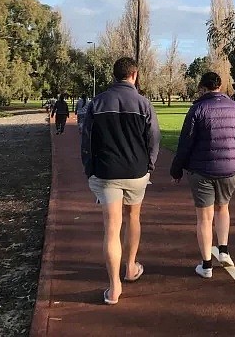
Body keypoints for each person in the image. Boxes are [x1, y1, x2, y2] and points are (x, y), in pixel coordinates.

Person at [81, 57, 160, 305]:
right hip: (136, 172)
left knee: (111, 228)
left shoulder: (98, 102)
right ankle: (130, 267)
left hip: (106, 173)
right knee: (133, 218)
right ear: (134, 75)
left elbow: (86, 140)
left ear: (114, 75)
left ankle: (114, 287)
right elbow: (153, 139)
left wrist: (89, 168)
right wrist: (150, 165)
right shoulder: (144, 103)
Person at [170, 71, 235, 279]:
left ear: (203, 87)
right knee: (223, 208)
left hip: (201, 170)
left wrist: (177, 169)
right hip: (230, 168)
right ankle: (223, 250)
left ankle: (206, 265)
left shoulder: (197, 109)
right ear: (220, 86)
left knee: (204, 218)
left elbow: (185, 143)